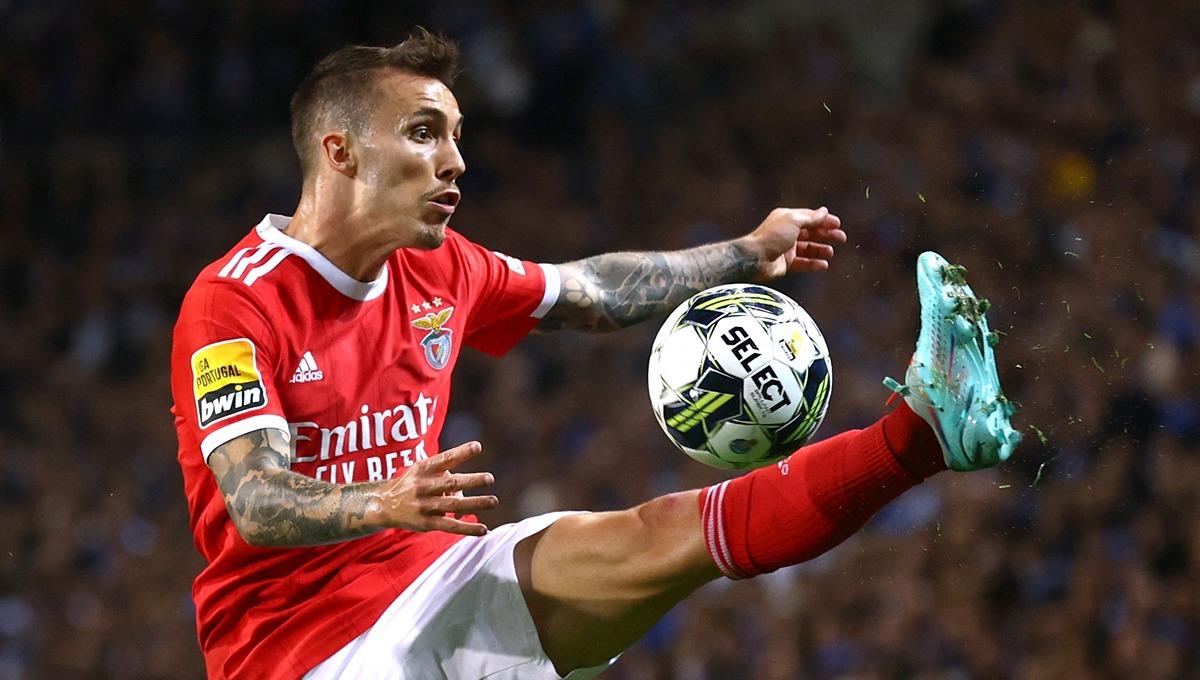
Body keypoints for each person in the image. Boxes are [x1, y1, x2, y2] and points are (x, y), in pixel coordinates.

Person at [170, 29, 1020, 679]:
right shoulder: (234, 301)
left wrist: (745, 252)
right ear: (340, 150)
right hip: (303, 649)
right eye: (425, 133)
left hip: (428, 578)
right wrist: (379, 500)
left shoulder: (440, 266)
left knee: (661, 534)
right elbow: (255, 498)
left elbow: (590, 292)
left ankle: (924, 435)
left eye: (458, 135)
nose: (455, 161)